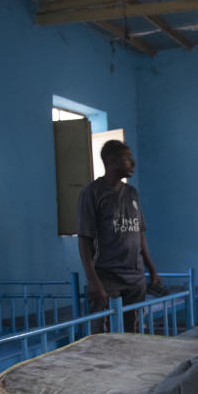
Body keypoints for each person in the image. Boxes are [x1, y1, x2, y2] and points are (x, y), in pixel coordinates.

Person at [77, 140, 164, 333]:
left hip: (135, 277)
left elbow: (139, 234)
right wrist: (93, 280)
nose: (132, 163)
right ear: (110, 160)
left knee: (134, 333)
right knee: (103, 337)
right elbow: (84, 240)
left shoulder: (132, 193)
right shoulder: (92, 193)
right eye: (127, 158)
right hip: (107, 277)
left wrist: (152, 270)